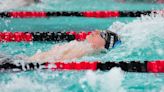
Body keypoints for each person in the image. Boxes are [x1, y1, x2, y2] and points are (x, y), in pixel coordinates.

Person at [27, 30, 121, 62]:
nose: (96, 31)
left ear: (103, 46)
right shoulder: (83, 47)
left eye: (102, 35)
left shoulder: (85, 49)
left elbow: (59, 61)